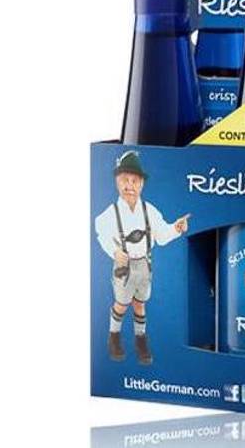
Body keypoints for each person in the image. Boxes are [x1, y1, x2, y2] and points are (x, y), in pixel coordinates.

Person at [95, 151, 190, 364]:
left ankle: (141, 339)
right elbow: (101, 233)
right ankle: (114, 337)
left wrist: (176, 228)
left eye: (134, 181)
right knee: (122, 303)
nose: (130, 186)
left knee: (140, 303)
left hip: (144, 265)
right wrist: (114, 252)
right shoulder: (110, 214)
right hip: (124, 266)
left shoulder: (149, 211)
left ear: (142, 184)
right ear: (117, 182)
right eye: (125, 180)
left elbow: (162, 235)